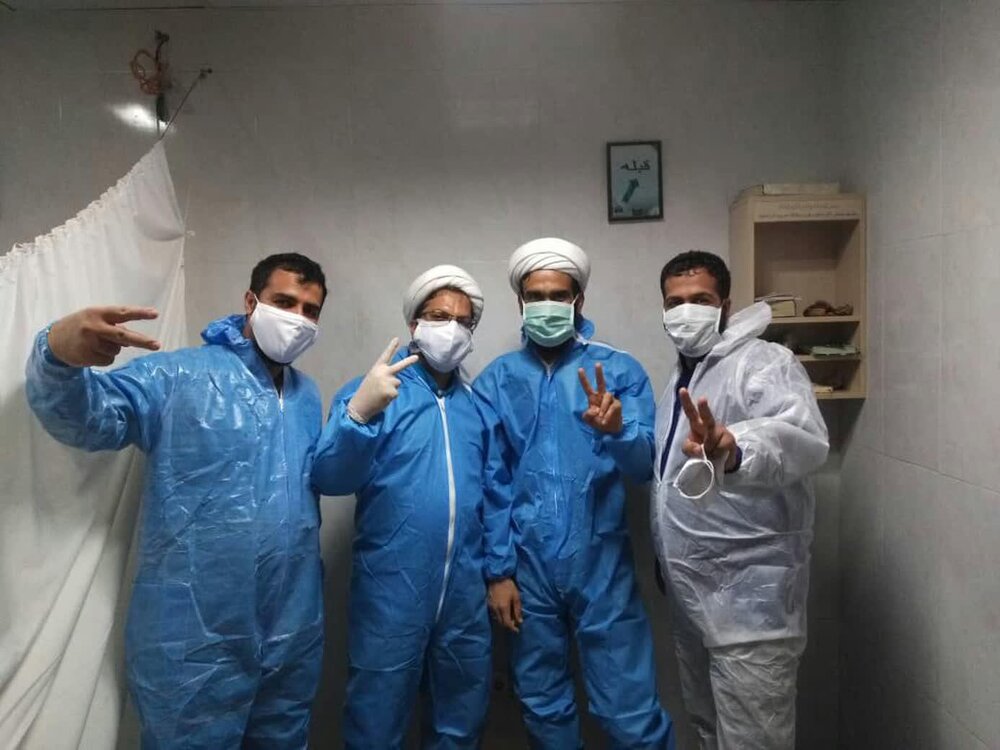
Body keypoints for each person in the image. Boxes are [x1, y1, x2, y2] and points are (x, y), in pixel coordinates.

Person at [25, 253, 328, 749]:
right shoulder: (179, 376)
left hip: (290, 631)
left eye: (310, 310)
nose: (297, 318)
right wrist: (57, 358)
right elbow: (88, 419)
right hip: (195, 637)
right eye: (284, 302)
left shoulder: (305, 396)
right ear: (251, 302)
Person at [474, 237, 675, 749]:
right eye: (535, 295)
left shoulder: (618, 372)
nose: (547, 305)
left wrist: (618, 431)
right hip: (527, 569)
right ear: (520, 302)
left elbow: (643, 468)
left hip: (602, 563)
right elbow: (492, 481)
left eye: (558, 295)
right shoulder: (496, 381)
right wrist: (498, 571)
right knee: (542, 702)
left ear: (579, 300)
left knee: (629, 707)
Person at [652, 250, 829, 749]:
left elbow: (797, 439)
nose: (686, 311)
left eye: (701, 299)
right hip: (696, 597)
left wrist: (733, 451)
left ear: (726, 306)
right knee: (707, 730)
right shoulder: (682, 377)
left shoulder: (762, 363)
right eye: (675, 302)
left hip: (753, 606)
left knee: (754, 742)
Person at [312, 265, 491, 750]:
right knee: (376, 720)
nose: (451, 327)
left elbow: (493, 495)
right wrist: (359, 413)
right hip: (391, 590)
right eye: (439, 316)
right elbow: (330, 478)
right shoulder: (376, 389)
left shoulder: (477, 404)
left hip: (465, 595)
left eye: (463, 320)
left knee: (460, 719)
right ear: (415, 324)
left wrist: (498, 571)